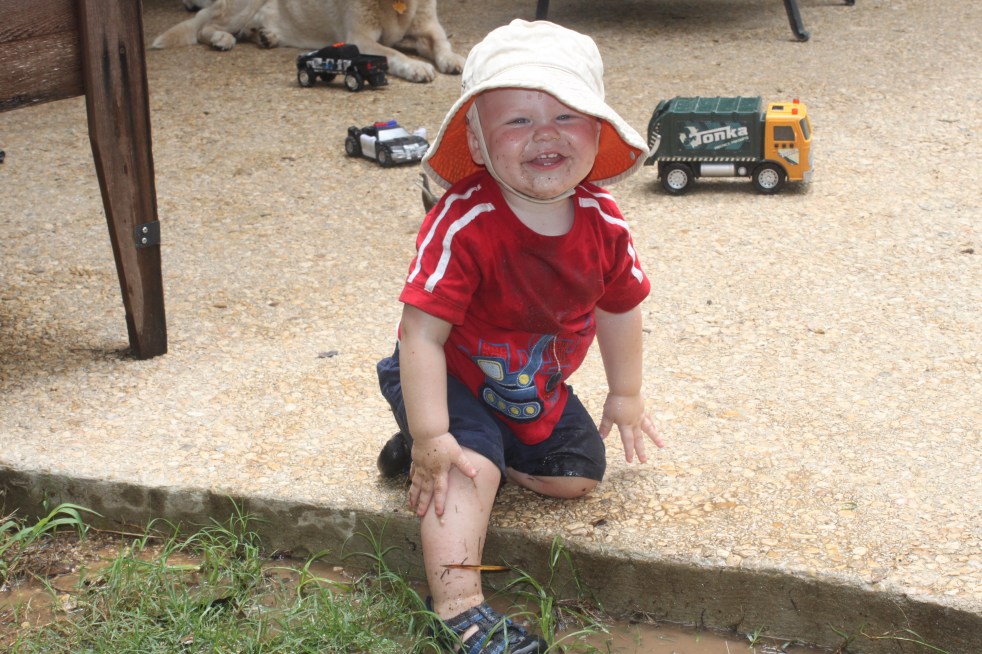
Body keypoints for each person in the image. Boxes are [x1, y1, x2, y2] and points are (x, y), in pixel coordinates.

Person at [376, 19, 664, 653]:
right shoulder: (464, 221)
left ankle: (471, 452)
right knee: (465, 467)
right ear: (477, 142)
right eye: (517, 120)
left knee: (578, 476)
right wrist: (433, 434)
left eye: (567, 116)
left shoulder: (604, 221)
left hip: (527, 388)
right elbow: (420, 335)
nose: (545, 133)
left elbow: (620, 307)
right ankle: (457, 609)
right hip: (446, 376)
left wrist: (625, 393)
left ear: (597, 132)